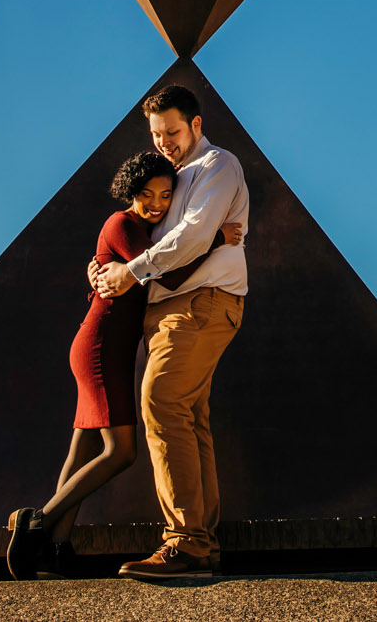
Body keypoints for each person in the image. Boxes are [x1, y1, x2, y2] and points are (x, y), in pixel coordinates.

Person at [5, 151, 240, 579]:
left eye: (166, 195)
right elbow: (166, 275)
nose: (156, 204)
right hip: (101, 348)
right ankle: (36, 521)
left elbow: (134, 270)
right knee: (122, 451)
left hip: (103, 344)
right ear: (130, 192)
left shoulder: (143, 231)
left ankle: (56, 550)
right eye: (146, 194)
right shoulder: (125, 224)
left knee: (85, 450)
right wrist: (218, 239)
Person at [91, 85, 249, 580]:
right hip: (168, 313)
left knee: (161, 402)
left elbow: (193, 238)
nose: (165, 142)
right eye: (157, 134)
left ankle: (185, 543)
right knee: (187, 417)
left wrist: (132, 271)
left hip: (201, 304)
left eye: (173, 132)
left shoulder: (217, 166)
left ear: (196, 125)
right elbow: (134, 232)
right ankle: (202, 541)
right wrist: (100, 268)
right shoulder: (169, 179)